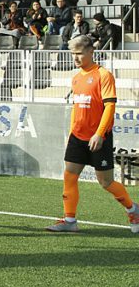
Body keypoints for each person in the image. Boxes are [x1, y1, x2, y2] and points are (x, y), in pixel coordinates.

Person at [48, 35, 139, 233]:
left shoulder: (103, 75)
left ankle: (133, 209)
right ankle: (70, 220)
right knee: (69, 176)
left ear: (91, 52)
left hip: (99, 137)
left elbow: (109, 107)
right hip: (77, 136)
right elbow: (76, 107)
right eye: (73, 54)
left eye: (79, 53)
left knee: (105, 182)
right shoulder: (76, 77)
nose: (76, 58)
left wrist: (99, 133)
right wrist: (72, 131)